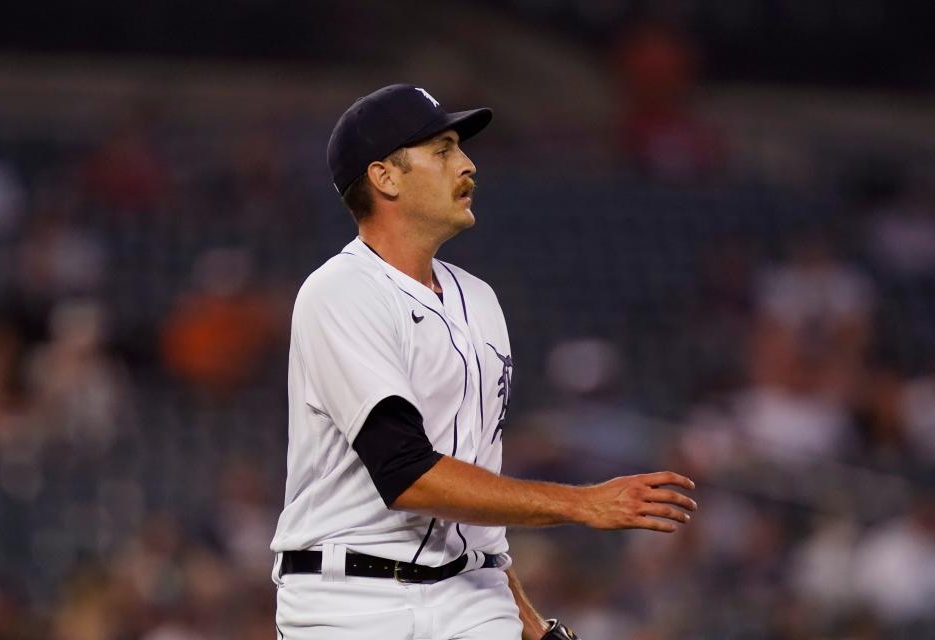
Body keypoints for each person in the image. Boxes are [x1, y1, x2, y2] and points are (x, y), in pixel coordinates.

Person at [270, 84, 697, 640]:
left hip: (473, 598)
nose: (467, 164)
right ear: (385, 177)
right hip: (351, 600)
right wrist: (582, 504)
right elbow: (407, 475)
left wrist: (532, 625)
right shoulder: (341, 291)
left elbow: (478, 520)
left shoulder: (481, 302)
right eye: (442, 150)